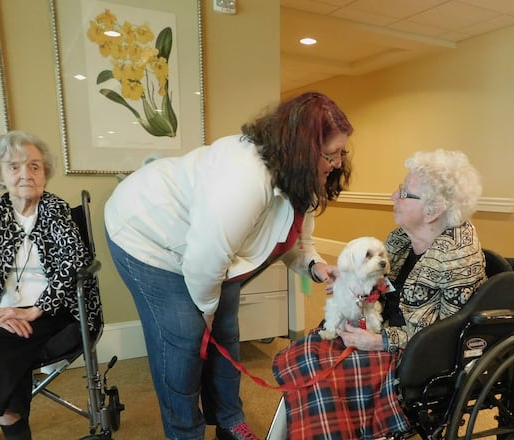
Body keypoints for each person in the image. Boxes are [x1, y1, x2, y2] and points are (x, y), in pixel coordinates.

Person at [104, 91, 353, 440]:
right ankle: (185, 432)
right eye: (331, 154)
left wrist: (315, 266)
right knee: (185, 338)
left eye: (342, 151)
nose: (339, 162)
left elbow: (296, 238)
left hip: (211, 254)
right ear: (302, 151)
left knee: (226, 334)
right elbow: (205, 262)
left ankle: (229, 419)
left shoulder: (304, 179)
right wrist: (205, 311)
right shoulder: (244, 178)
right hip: (146, 233)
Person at [272, 149, 487, 439]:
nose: (392, 197)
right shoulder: (403, 238)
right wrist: (349, 279)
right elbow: (383, 283)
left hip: (414, 352)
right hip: (383, 325)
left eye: (404, 193)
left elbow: (441, 335)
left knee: (321, 370)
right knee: (306, 349)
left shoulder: (455, 258)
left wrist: (377, 341)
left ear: (433, 209)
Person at [0, 130, 101, 440]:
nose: (26, 174)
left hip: (53, 313)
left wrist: (35, 310)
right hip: (0, 313)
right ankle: (10, 418)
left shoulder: (56, 210)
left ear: (45, 173)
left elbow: (75, 262)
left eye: (35, 166)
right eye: (14, 166)